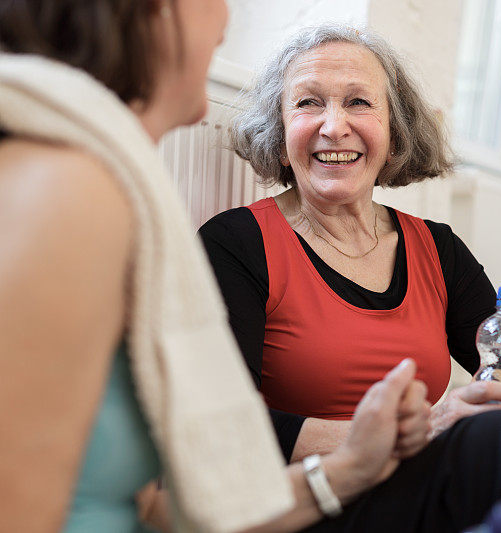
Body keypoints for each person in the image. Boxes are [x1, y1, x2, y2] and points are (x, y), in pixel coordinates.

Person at [200, 24, 501, 533]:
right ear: (280, 129)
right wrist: (418, 431)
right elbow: (230, 428)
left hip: (416, 493)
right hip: (307, 505)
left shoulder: (436, 248)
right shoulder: (237, 244)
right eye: (309, 103)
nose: (333, 126)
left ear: (395, 132)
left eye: (359, 103)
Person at [0, 2, 433, 532]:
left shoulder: (104, 192)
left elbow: (161, 510)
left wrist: (348, 468)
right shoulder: (68, 192)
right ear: (149, 15)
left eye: (359, 102)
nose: (225, 8)